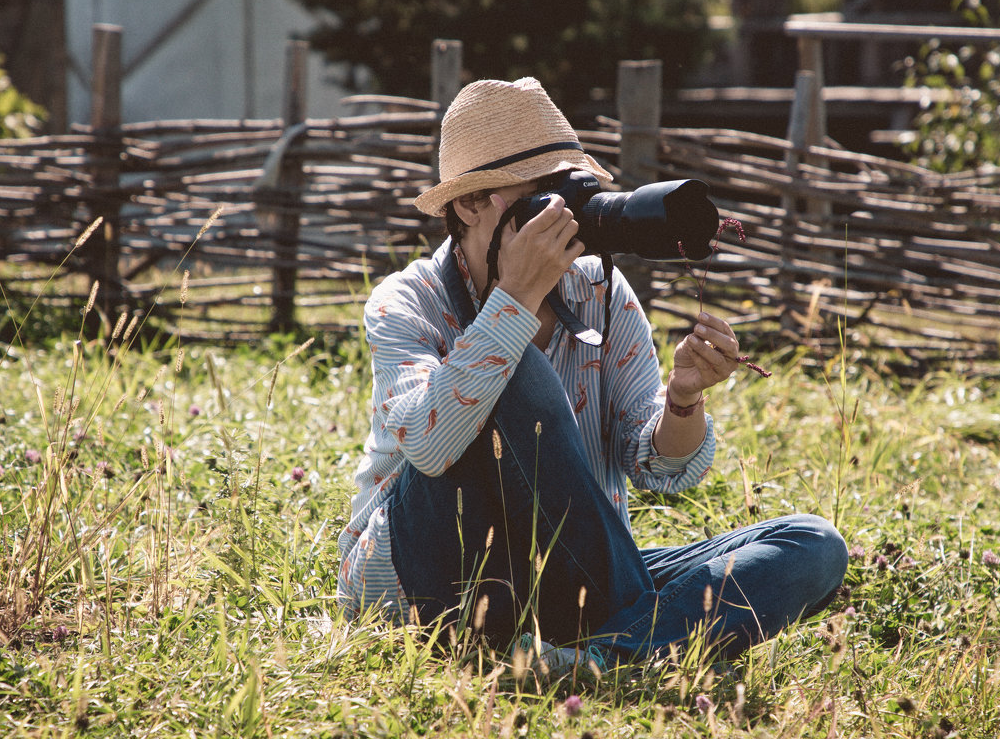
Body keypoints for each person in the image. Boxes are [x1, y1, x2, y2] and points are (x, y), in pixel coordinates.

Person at [336, 77, 847, 671]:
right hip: (429, 578)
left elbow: (660, 471)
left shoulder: (600, 289)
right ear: (471, 204)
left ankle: (597, 658)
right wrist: (515, 300)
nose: (566, 219)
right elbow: (428, 446)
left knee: (812, 546)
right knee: (511, 363)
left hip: (572, 575)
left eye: (570, 193)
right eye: (542, 195)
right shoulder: (404, 301)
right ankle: (641, 634)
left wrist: (682, 399)